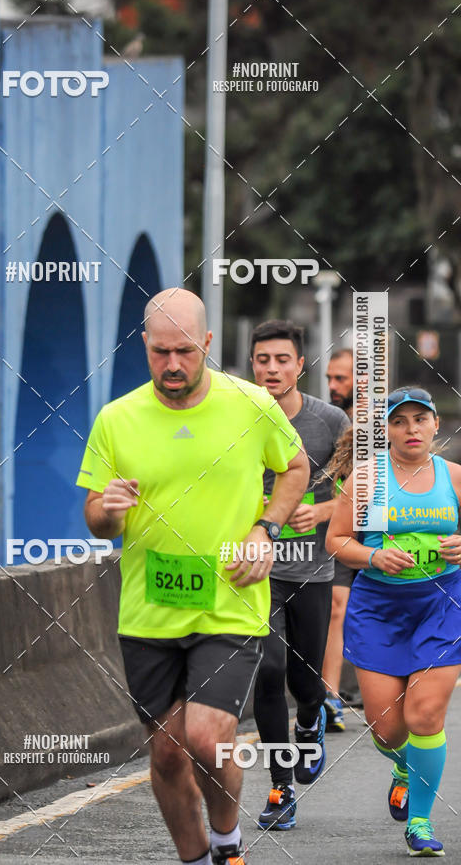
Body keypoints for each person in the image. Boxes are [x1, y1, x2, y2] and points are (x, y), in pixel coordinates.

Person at [77, 289, 310, 865]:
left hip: (230, 602)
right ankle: (196, 857)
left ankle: (228, 840)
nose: (173, 365)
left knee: (206, 739)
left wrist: (266, 530)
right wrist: (108, 509)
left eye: (184, 350)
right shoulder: (118, 419)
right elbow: (95, 522)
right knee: (167, 753)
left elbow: (296, 466)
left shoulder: (252, 404)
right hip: (148, 611)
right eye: (160, 352)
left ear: (206, 344)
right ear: (145, 347)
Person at [326, 387, 461, 857]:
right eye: (399, 421)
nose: (410, 430)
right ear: (386, 429)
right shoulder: (364, 479)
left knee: (424, 715)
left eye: (419, 420)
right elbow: (337, 540)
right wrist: (374, 555)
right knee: (387, 729)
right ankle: (404, 767)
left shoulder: (456, 478)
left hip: (442, 605)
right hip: (379, 608)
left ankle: (420, 822)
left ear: (435, 425)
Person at [249, 320, 349, 831]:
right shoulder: (236, 418)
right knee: (265, 673)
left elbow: (368, 491)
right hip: (255, 573)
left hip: (312, 570)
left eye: (282, 360)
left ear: (299, 366)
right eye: (263, 359)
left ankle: (310, 721)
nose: (272, 368)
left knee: (304, 681)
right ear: (251, 365)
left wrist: (326, 509)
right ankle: (280, 788)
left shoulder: (329, 420)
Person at [323, 349, 356, 730]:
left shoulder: (385, 422)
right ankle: (329, 695)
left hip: (385, 532)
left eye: (341, 379)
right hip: (340, 529)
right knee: (337, 603)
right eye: (330, 378)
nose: (333, 386)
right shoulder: (332, 422)